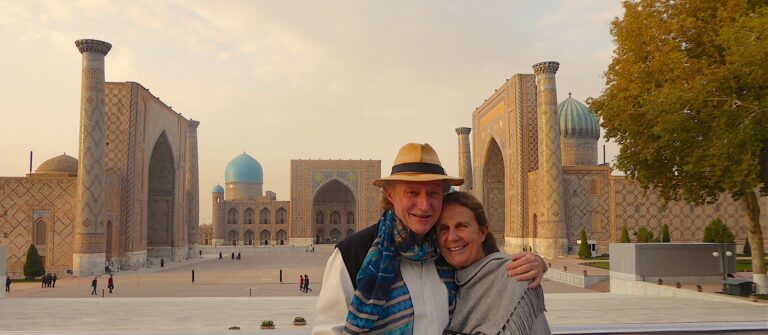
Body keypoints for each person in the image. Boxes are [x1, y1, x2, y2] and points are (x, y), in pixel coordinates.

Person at [313, 143, 546, 334]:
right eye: (412, 193)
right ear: (391, 195)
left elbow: (487, 273)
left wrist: (537, 263)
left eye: (433, 193)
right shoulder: (354, 254)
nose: (424, 205)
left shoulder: (446, 251)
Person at [438, 191, 551, 335]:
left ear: (483, 232)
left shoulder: (515, 275)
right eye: (444, 229)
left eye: (461, 226)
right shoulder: (444, 279)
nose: (452, 237)